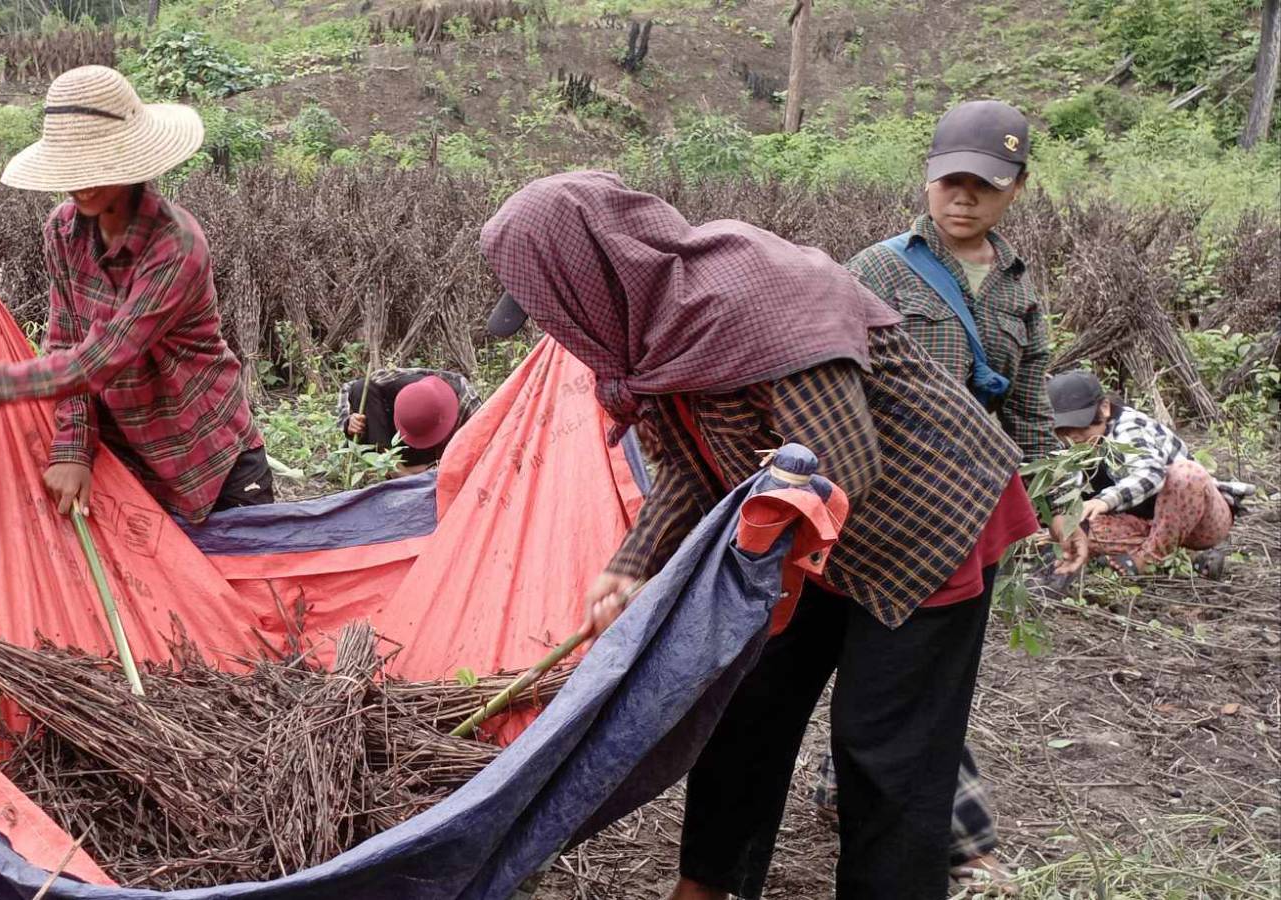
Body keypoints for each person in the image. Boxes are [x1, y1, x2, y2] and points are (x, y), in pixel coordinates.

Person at [481, 170, 1036, 900]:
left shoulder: (753, 299)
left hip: (924, 524)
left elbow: (841, 464)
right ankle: (708, 888)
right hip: (812, 538)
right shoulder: (654, 330)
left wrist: (740, 564)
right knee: (744, 706)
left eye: (552, 306)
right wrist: (635, 562)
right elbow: (693, 459)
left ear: (588, 274)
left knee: (883, 746)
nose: (557, 326)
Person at [822, 98, 1064, 893]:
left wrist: (1043, 508)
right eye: (948, 182)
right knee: (871, 701)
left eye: (983, 186)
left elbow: (1028, 408)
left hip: (969, 524)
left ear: (1017, 188)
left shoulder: (1022, 288)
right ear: (927, 181)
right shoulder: (875, 270)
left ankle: (906, 863)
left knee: (925, 705)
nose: (962, 199)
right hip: (878, 515)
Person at [0, 66, 272, 524]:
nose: (82, 181)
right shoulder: (63, 230)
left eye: (97, 164)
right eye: (72, 166)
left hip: (206, 461)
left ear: (131, 161)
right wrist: (73, 445)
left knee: (248, 592)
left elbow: (97, 361)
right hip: (128, 467)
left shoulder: (175, 246)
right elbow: (66, 340)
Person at [1047, 369, 1238, 577]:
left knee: (1186, 473)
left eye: (1081, 427)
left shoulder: (1130, 426)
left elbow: (1150, 473)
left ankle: (1148, 559)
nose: (1074, 436)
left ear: (1104, 408)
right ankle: (1186, 556)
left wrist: (1105, 501)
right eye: (1065, 430)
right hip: (1142, 524)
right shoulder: (1065, 446)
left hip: (1199, 520)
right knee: (1072, 535)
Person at [337, 368, 481, 475]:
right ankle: (395, 470)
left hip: (442, 457)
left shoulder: (466, 400)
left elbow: (486, 447)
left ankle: (414, 473)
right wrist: (349, 422)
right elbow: (348, 388)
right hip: (395, 451)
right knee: (361, 388)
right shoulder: (390, 382)